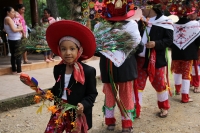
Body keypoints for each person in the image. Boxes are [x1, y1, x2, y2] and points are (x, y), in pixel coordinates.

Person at [94, 0, 141, 132]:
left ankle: (120, 122)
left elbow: (138, 46)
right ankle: (122, 123)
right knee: (113, 94)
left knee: (117, 94)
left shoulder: (132, 26)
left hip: (123, 67)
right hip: (110, 67)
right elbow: (96, 49)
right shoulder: (99, 28)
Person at [44, 20, 98, 132]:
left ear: (79, 50)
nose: (68, 53)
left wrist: (83, 105)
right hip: (59, 110)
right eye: (63, 49)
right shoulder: (58, 69)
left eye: (72, 49)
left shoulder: (88, 71)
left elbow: (92, 94)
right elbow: (57, 88)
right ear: (59, 51)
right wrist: (48, 94)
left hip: (77, 113)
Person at [135, 0, 174, 118]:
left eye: (143, 8)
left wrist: (156, 43)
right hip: (140, 59)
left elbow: (169, 40)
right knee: (137, 84)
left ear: (150, 7)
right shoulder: (139, 21)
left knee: (160, 84)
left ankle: (164, 107)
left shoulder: (165, 22)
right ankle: (136, 109)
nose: (140, 11)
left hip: (156, 59)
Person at [169, 0, 200, 101]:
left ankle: (177, 89)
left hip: (176, 53)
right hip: (189, 54)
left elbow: (169, 41)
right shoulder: (195, 25)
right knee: (186, 74)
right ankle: (185, 96)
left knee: (177, 71)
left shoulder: (172, 25)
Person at [4, 6, 23, 74]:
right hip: (15, 39)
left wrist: (19, 27)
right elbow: (14, 30)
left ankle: (14, 70)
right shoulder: (8, 18)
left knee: (14, 55)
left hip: (13, 38)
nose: (13, 13)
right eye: (12, 12)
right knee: (18, 55)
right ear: (8, 12)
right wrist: (20, 29)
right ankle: (18, 70)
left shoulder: (11, 19)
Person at [188, 8, 200, 93]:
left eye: (194, 13)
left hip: (197, 48)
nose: (192, 14)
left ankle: (196, 84)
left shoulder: (198, 23)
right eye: (190, 13)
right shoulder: (185, 23)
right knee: (189, 67)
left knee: (196, 67)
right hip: (187, 48)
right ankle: (191, 81)